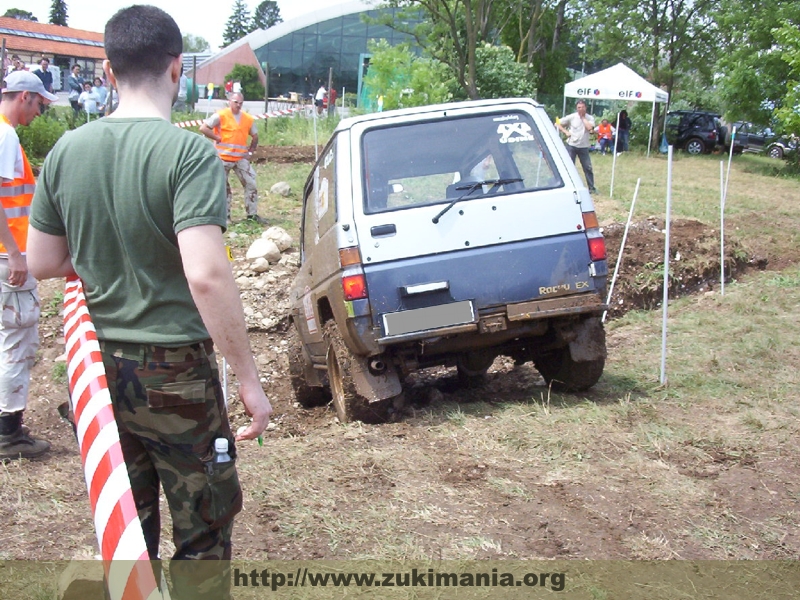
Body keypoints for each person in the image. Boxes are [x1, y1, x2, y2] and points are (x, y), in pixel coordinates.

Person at [27, 5, 271, 597]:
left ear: (107, 72)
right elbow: (207, 277)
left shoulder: (65, 152)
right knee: (204, 528)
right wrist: (247, 377)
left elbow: (41, 263)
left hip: (100, 371)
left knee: (129, 536)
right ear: (176, 68)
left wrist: (108, 255)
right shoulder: (188, 154)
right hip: (179, 375)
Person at [0, 71, 57, 460]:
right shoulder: (5, 135)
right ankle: (8, 433)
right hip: (9, 256)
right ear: (24, 97)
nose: (39, 112)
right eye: (39, 104)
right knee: (17, 342)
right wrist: (17, 253)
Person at [199, 92, 267, 224]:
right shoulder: (221, 115)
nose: (238, 105)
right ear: (230, 101)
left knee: (251, 184)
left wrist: (251, 151)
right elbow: (204, 128)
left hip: (240, 158)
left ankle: (252, 215)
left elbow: (255, 136)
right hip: (223, 157)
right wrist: (217, 138)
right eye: (236, 102)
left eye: (241, 103)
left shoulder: (247, 118)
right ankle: (226, 217)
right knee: (223, 188)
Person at [557, 99, 597, 194]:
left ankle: (591, 188)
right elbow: (557, 123)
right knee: (570, 167)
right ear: (576, 108)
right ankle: (570, 187)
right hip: (571, 145)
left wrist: (583, 118)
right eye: (579, 107)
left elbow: (590, 128)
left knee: (588, 167)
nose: (580, 109)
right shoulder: (571, 117)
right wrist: (566, 131)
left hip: (583, 147)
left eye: (582, 107)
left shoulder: (590, 118)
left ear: (585, 108)